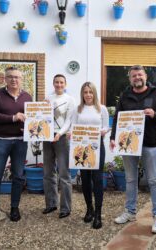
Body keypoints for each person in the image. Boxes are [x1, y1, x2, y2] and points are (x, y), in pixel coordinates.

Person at [110, 65, 156, 234]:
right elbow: (117, 117)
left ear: (145, 76)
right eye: (133, 76)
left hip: (149, 143)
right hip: (128, 144)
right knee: (130, 179)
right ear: (130, 79)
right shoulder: (125, 95)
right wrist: (112, 137)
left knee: (154, 180)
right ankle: (130, 212)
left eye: (139, 75)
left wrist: (155, 114)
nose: (137, 77)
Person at [0, 66, 32, 224]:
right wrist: (13, 118)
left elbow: (32, 117)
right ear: (5, 79)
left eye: (17, 77)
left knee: (18, 176)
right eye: (10, 77)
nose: (14, 80)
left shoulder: (27, 97)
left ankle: (14, 208)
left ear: (21, 79)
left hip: (20, 141)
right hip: (1, 141)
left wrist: (31, 126)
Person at [71, 82, 109, 229]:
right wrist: (70, 134)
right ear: (82, 94)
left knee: (97, 179)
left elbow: (106, 125)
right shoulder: (77, 109)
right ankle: (89, 209)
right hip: (81, 147)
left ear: (94, 93)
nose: (88, 95)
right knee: (85, 179)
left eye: (90, 92)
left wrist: (104, 131)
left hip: (97, 146)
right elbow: (73, 126)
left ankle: (98, 214)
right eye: (85, 92)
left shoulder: (102, 109)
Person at [42, 74, 75, 218]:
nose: (59, 84)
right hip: (47, 137)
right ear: (53, 83)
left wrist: (60, 133)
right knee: (48, 173)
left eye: (61, 82)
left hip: (61, 138)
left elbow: (69, 121)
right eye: (56, 82)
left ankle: (65, 208)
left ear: (65, 84)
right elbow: (42, 117)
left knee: (64, 174)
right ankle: (51, 204)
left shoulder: (70, 100)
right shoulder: (48, 98)